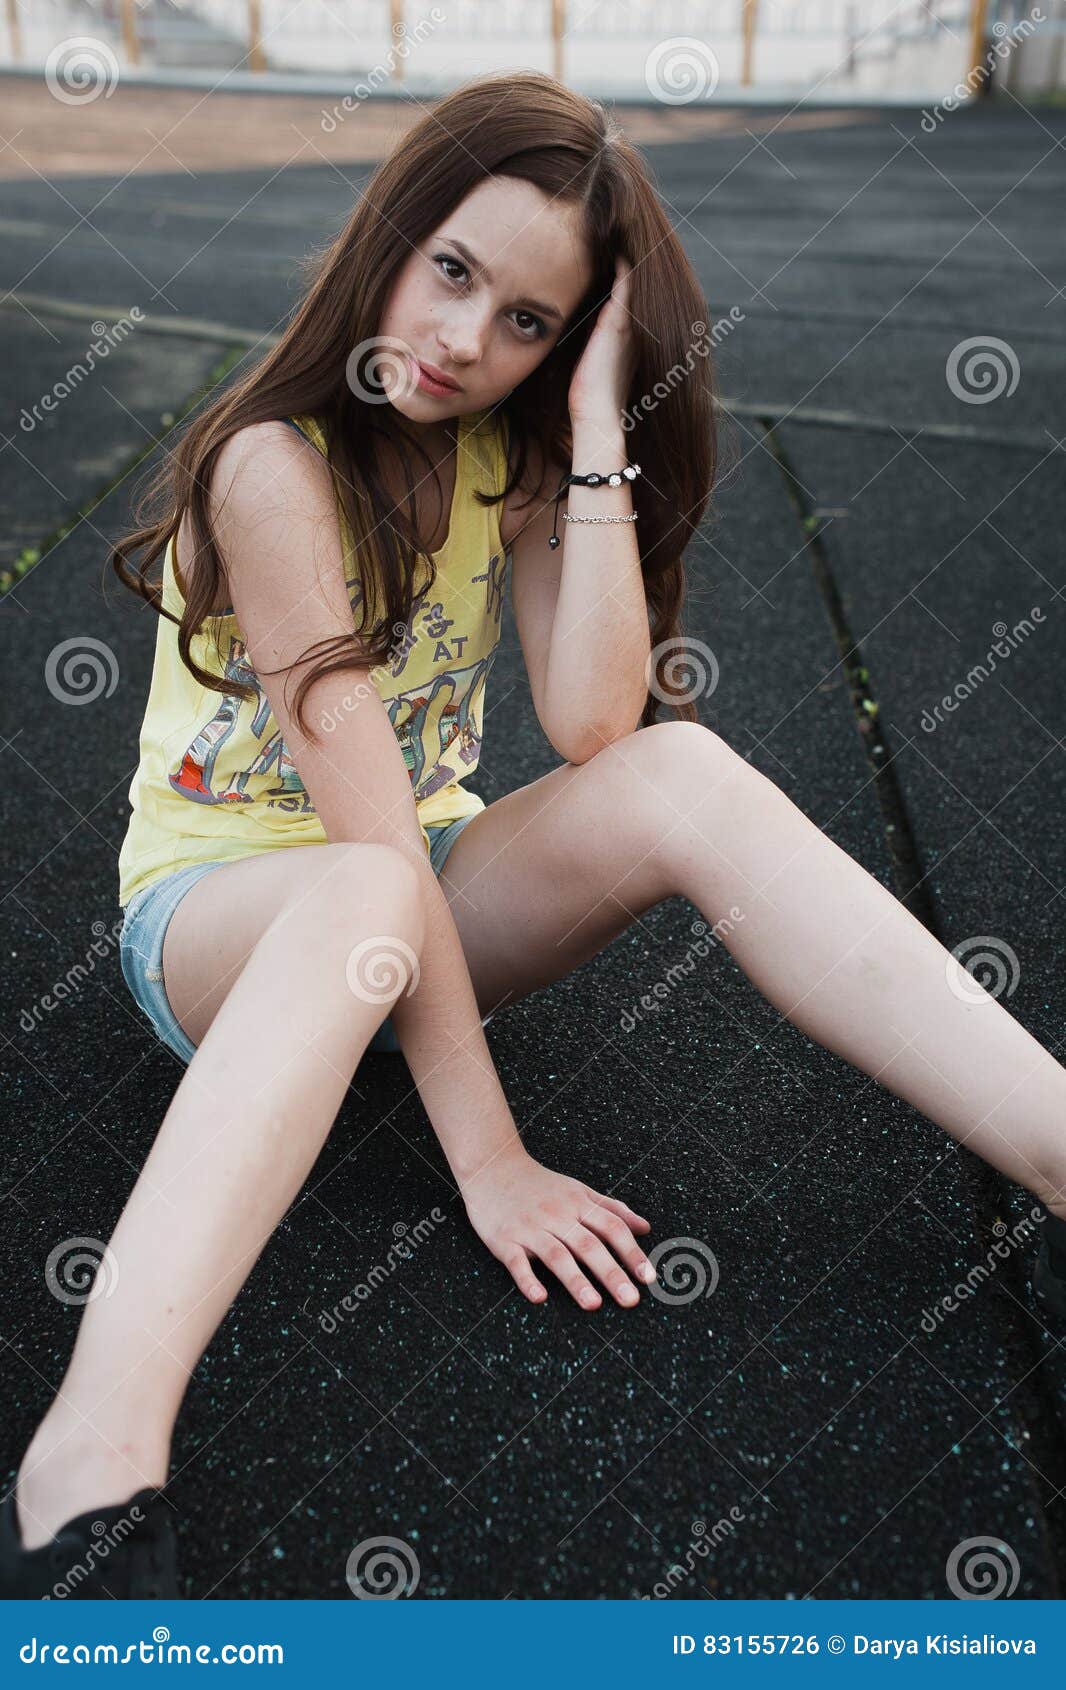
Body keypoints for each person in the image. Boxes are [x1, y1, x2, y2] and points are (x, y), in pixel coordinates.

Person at [3, 68, 1064, 1601]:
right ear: (391, 231)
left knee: (677, 771)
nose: (459, 341)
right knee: (370, 874)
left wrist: (589, 431)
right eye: (452, 272)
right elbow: (368, 836)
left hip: (412, 896)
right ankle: (84, 1465)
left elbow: (590, 724)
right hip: (227, 934)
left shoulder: (511, 449)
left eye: (524, 321)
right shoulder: (271, 470)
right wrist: (487, 1158)